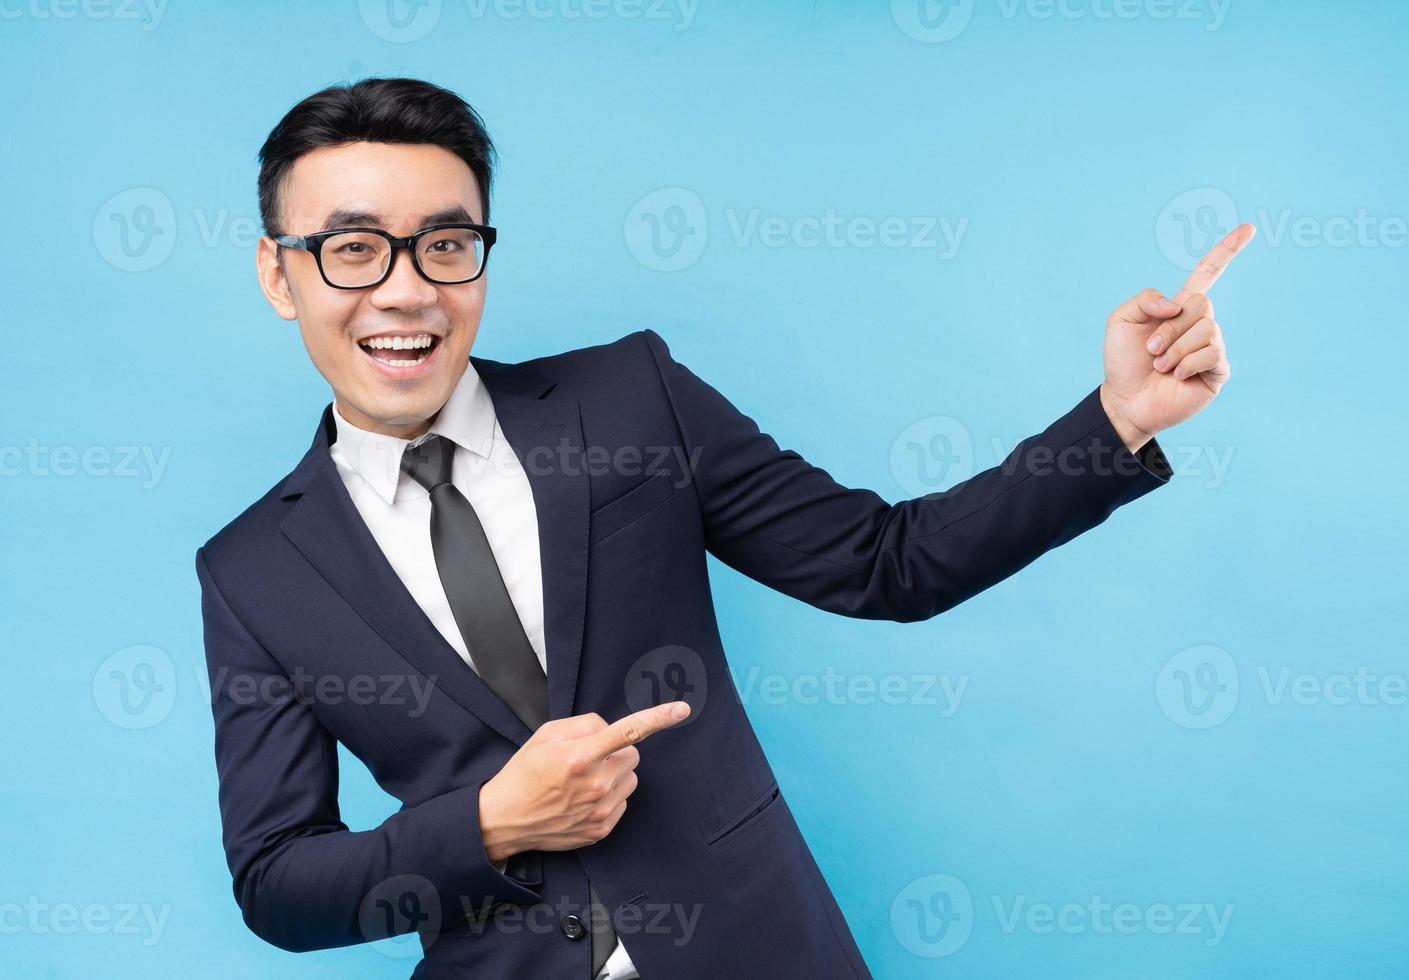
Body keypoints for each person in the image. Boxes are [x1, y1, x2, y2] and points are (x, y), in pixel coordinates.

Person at [195, 76, 1250, 979]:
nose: (407, 288)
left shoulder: (627, 399)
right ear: (276, 273)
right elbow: (280, 880)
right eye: (352, 250)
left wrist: (1115, 422)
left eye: (446, 242)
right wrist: (491, 823)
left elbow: (891, 564)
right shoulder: (252, 570)